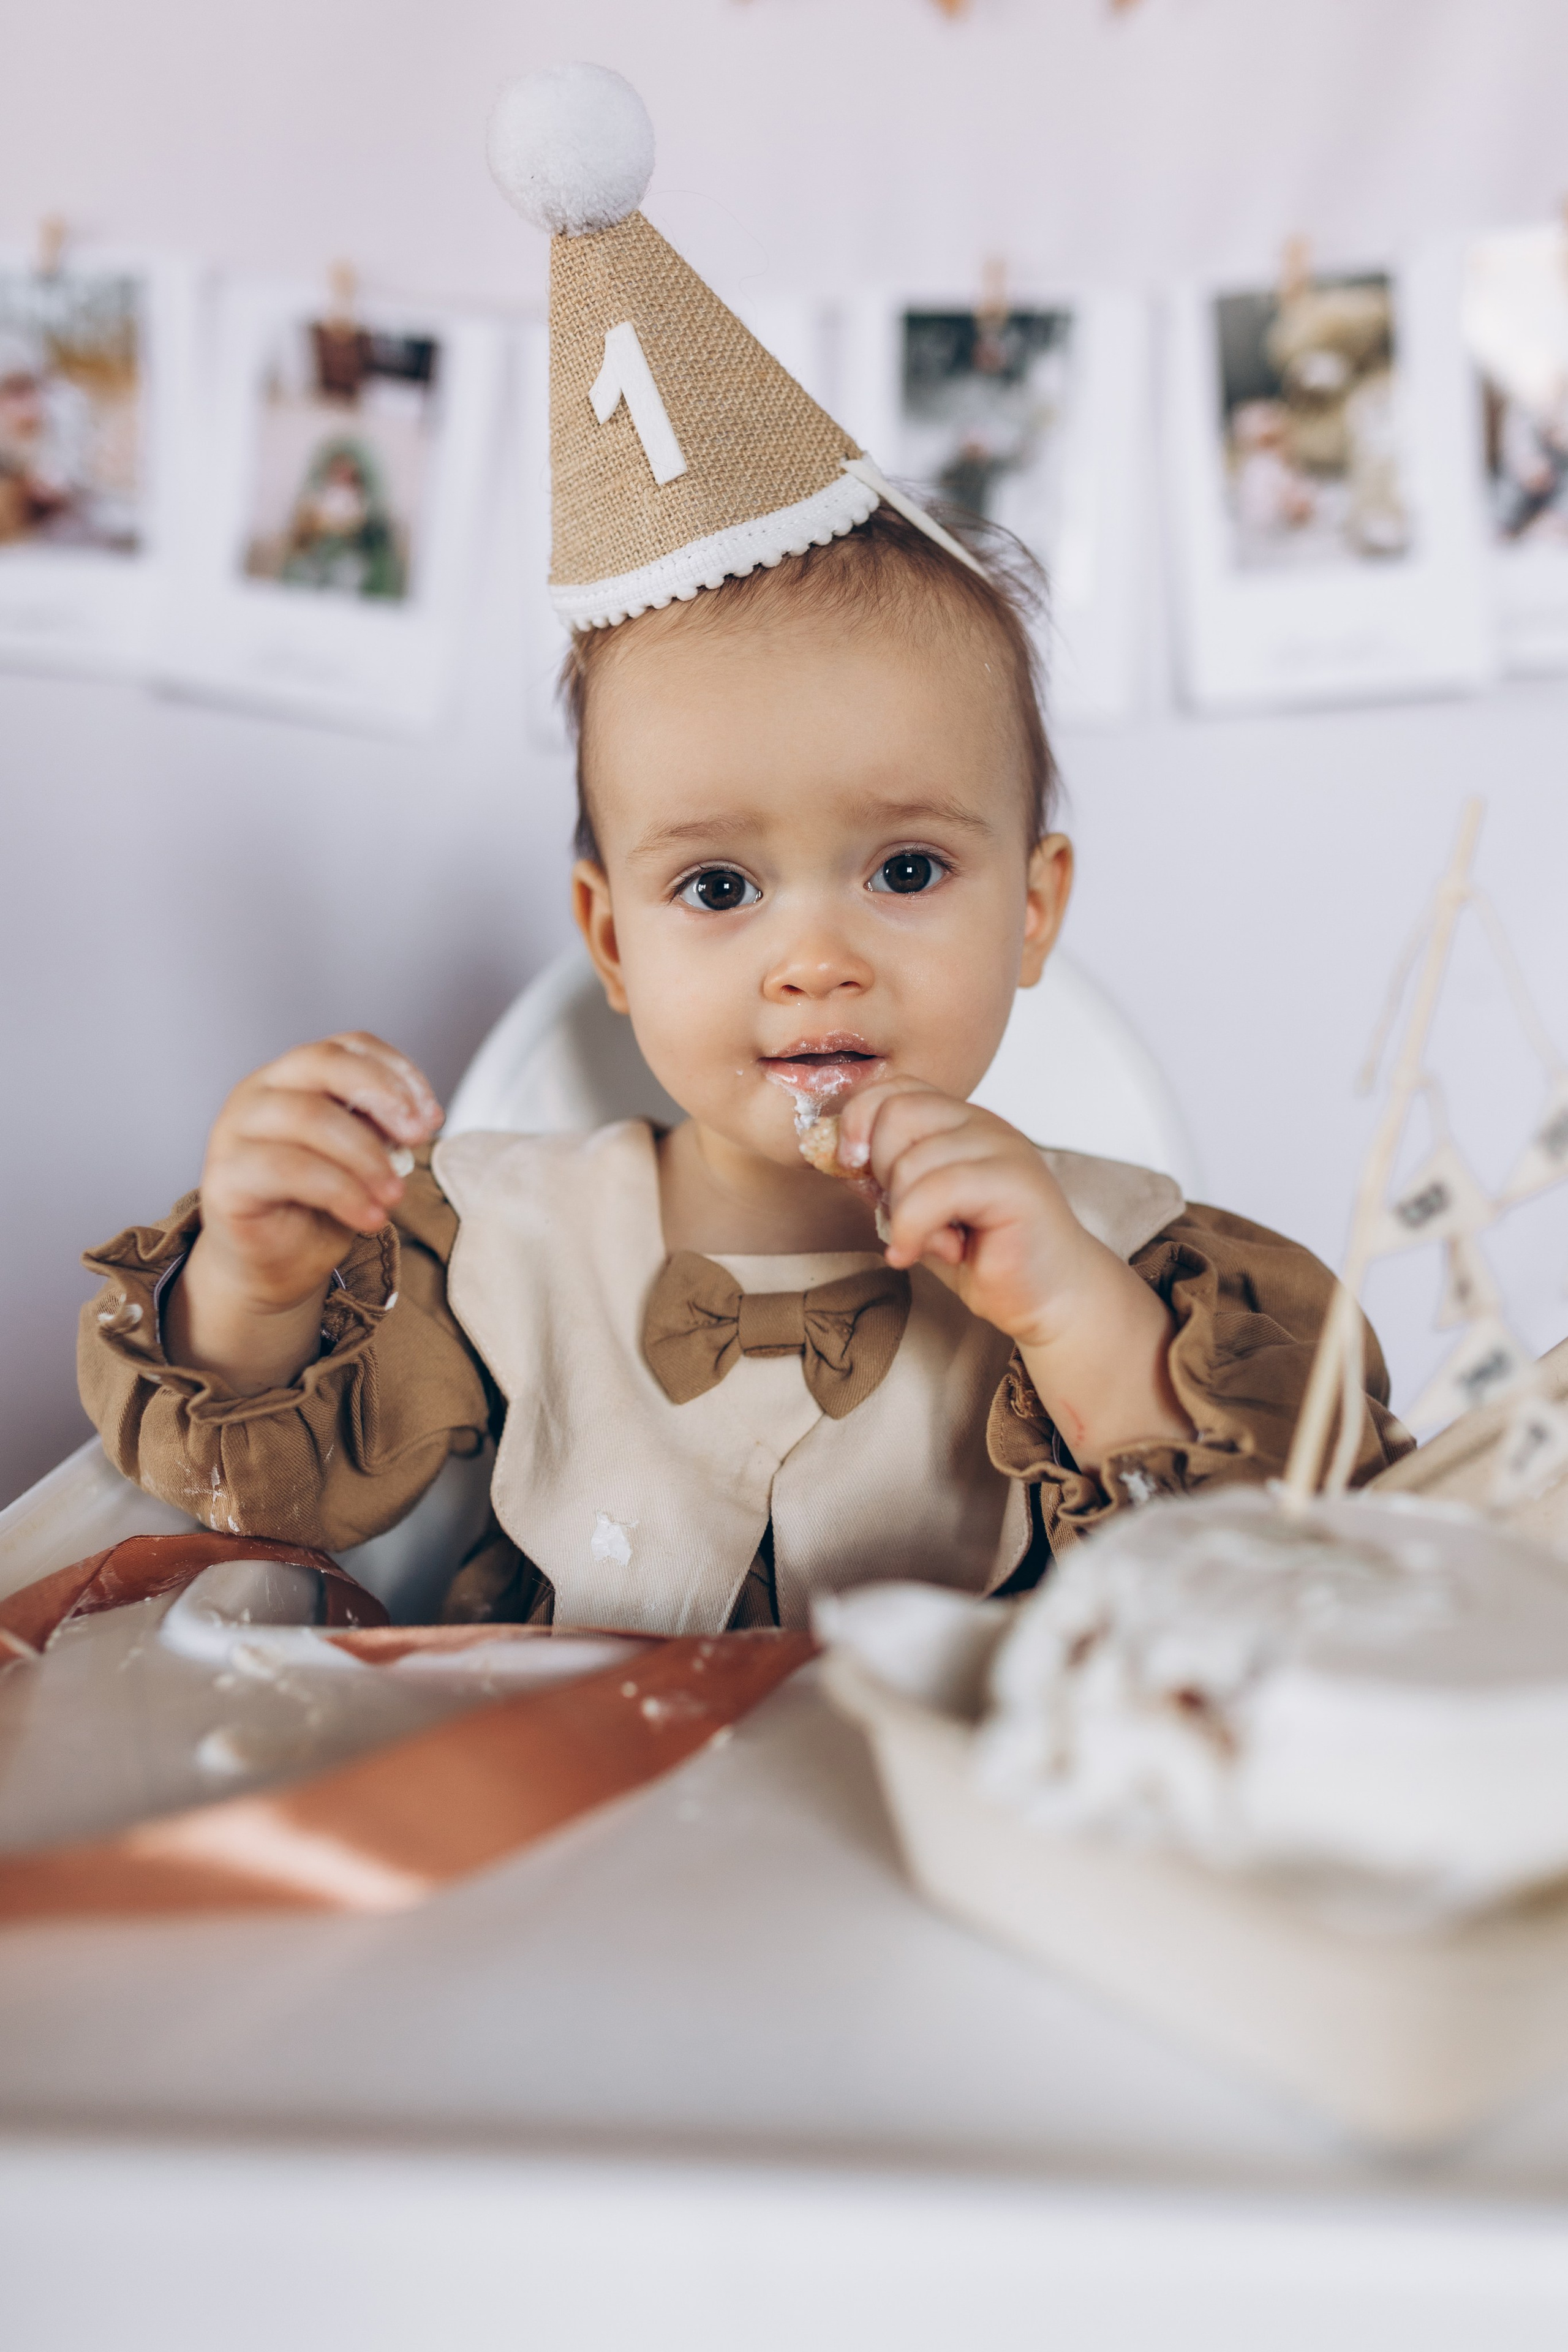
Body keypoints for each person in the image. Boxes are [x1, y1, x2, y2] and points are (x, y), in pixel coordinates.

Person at [77, 66, 1411, 1635]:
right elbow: (279, 1501)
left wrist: (1074, 1316)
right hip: (573, 1817)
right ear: (610, 938)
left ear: (1034, 909)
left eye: (906, 871)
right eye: (716, 887)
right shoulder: (493, 1237)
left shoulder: (1135, 1259)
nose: (813, 956)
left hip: (939, 1831)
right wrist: (257, 1275)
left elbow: (1286, 1583)